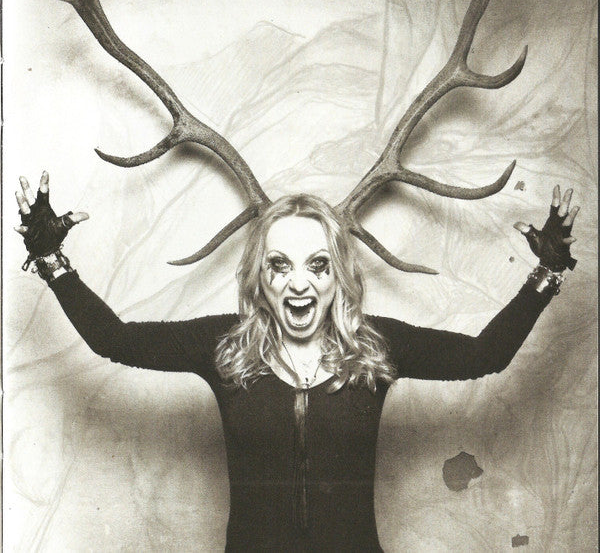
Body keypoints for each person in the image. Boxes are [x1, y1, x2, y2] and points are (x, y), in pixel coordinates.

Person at [15, 171, 579, 552]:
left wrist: (546, 274)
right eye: (279, 265)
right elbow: (114, 339)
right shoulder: (226, 346)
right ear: (259, 278)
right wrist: (51, 259)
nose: (299, 283)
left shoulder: (376, 346)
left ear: (339, 276)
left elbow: (484, 355)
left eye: (318, 264)